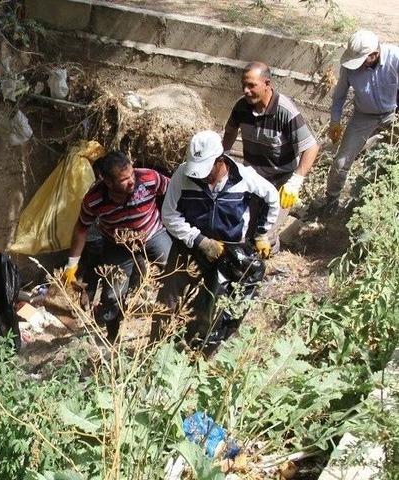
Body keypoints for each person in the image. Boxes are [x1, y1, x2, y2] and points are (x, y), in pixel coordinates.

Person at [153, 130, 279, 344]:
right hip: (191, 245)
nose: (200, 176)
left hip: (228, 250)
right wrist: (200, 240)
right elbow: (169, 214)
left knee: (215, 305)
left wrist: (261, 234)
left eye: (205, 170)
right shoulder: (183, 175)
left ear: (220, 161)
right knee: (169, 300)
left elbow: (272, 198)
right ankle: (158, 346)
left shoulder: (244, 177)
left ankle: (199, 352)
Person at [63, 150, 171, 342]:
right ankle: (111, 335)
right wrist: (71, 266)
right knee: (113, 295)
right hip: (117, 244)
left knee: (176, 271)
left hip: (153, 233)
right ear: (108, 182)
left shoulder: (148, 178)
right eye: (124, 179)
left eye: (131, 174)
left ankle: (170, 326)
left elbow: (174, 192)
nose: (132, 180)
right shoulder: (94, 200)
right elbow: (81, 229)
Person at [222, 61, 319, 248]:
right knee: (241, 232)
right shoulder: (241, 107)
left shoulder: (284, 111)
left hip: (281, 183)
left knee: (264, 237)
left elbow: (311, 147)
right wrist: (222, 155)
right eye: (243, 85)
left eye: (251, 85)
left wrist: (295, 182)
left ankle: (286, 229)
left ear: (267, 84)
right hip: (254, 180)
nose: (246, 90)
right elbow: (230, 132)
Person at [323, 30, 398, 213]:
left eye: (362, 60)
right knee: (341, 163)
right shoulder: (349, 67)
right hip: (363, 116)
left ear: (374, 54)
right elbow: (339, 96)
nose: (358, 66)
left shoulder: (395, 58)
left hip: (392, 113)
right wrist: (335, 121)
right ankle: (331, 201)